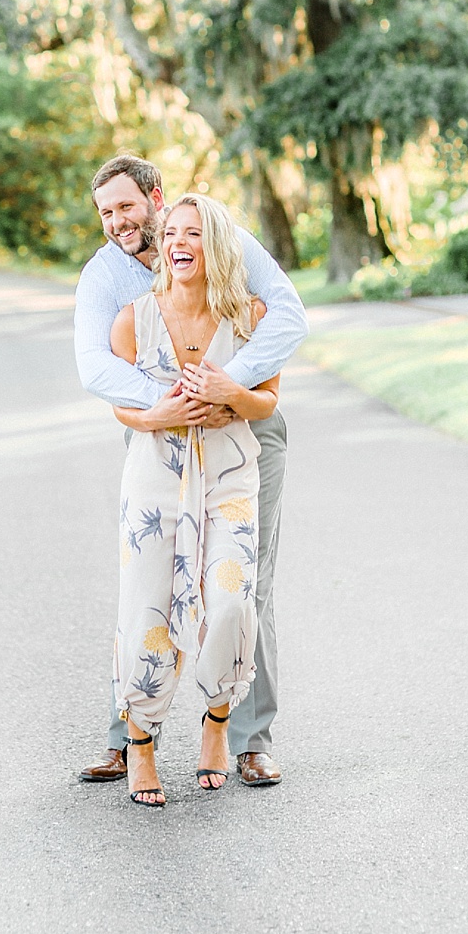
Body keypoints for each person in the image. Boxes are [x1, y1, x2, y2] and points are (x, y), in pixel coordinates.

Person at [72, 154, 306, 790]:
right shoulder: (105, 280)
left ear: (156, 196)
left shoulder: (220, 237)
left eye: (127, 206)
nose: (119, 222)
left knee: (243, 582)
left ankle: (249, 740)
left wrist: (229, 386)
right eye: (106, 213)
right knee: (146, 584)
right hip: (163, 437)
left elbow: (288, 314)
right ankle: (129, 739)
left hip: (245, 434)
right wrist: (165, 404)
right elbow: (95, 367)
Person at [107, 193, 280, 805]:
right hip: (155, 477)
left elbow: (267, 403)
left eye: (196, 234)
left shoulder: (250, 316)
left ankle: (216, 718)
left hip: (230, 474)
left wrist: (230, 392)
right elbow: (122, 405)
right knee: (147, 609)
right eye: (173, 233)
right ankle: (143, 742)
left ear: (218, 246)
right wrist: (162, 414)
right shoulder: (134, 317)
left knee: (232, 601)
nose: (180, 243)